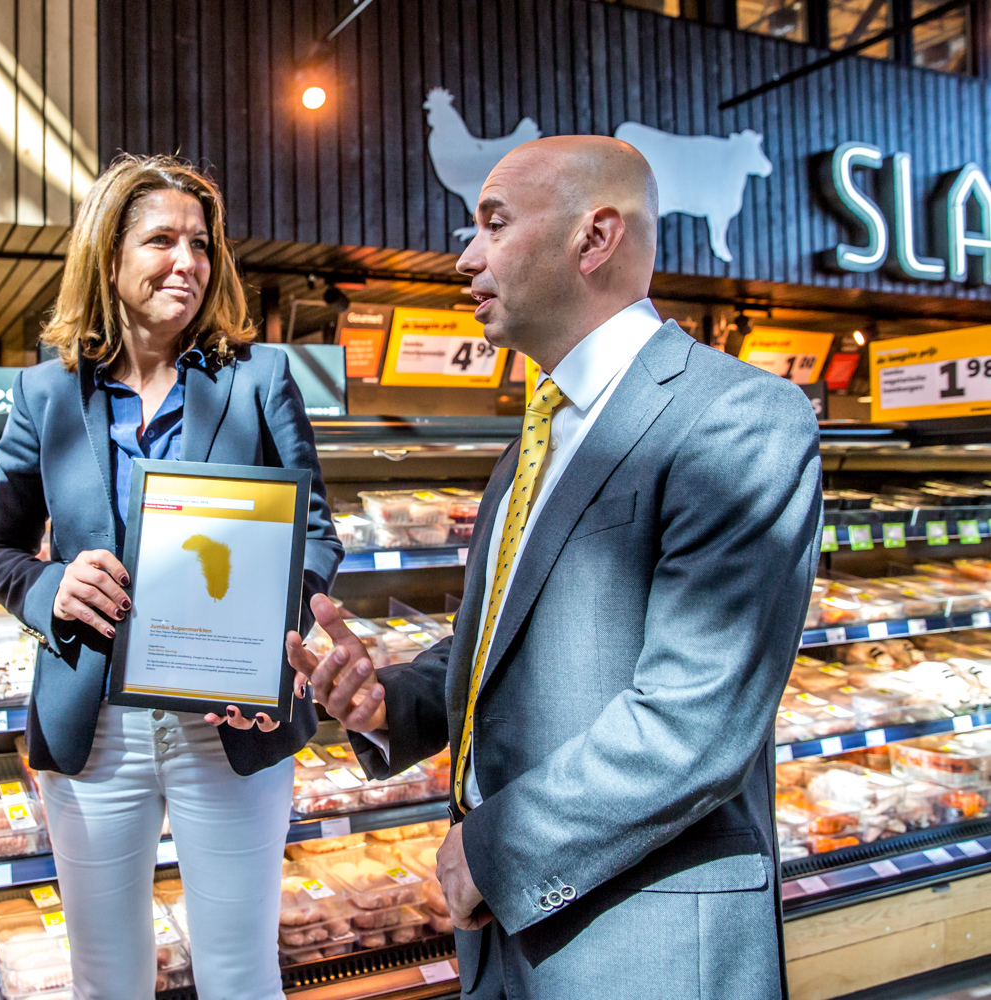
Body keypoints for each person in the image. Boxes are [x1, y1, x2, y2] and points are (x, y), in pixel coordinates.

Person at [288, 136, 821, 999]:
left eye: (494, 224)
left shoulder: (735, 417)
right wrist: (393, 702)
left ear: (595, 237)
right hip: (506, 943)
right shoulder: (538, 435)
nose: (465, 258)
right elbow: (505, 641)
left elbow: (696, 719)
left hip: (640, 945)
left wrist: (498, 850)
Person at [0, 153, 342, 999]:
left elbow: (316, 534)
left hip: (229, 720)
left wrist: (268, 640)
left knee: (241, 972)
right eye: (162, 241)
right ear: (108, 257)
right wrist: (51, 588)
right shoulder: (46, 393)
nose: (188, 262)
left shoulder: (259, 379)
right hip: (95, 721)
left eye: (201, 244)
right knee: (106, 976)